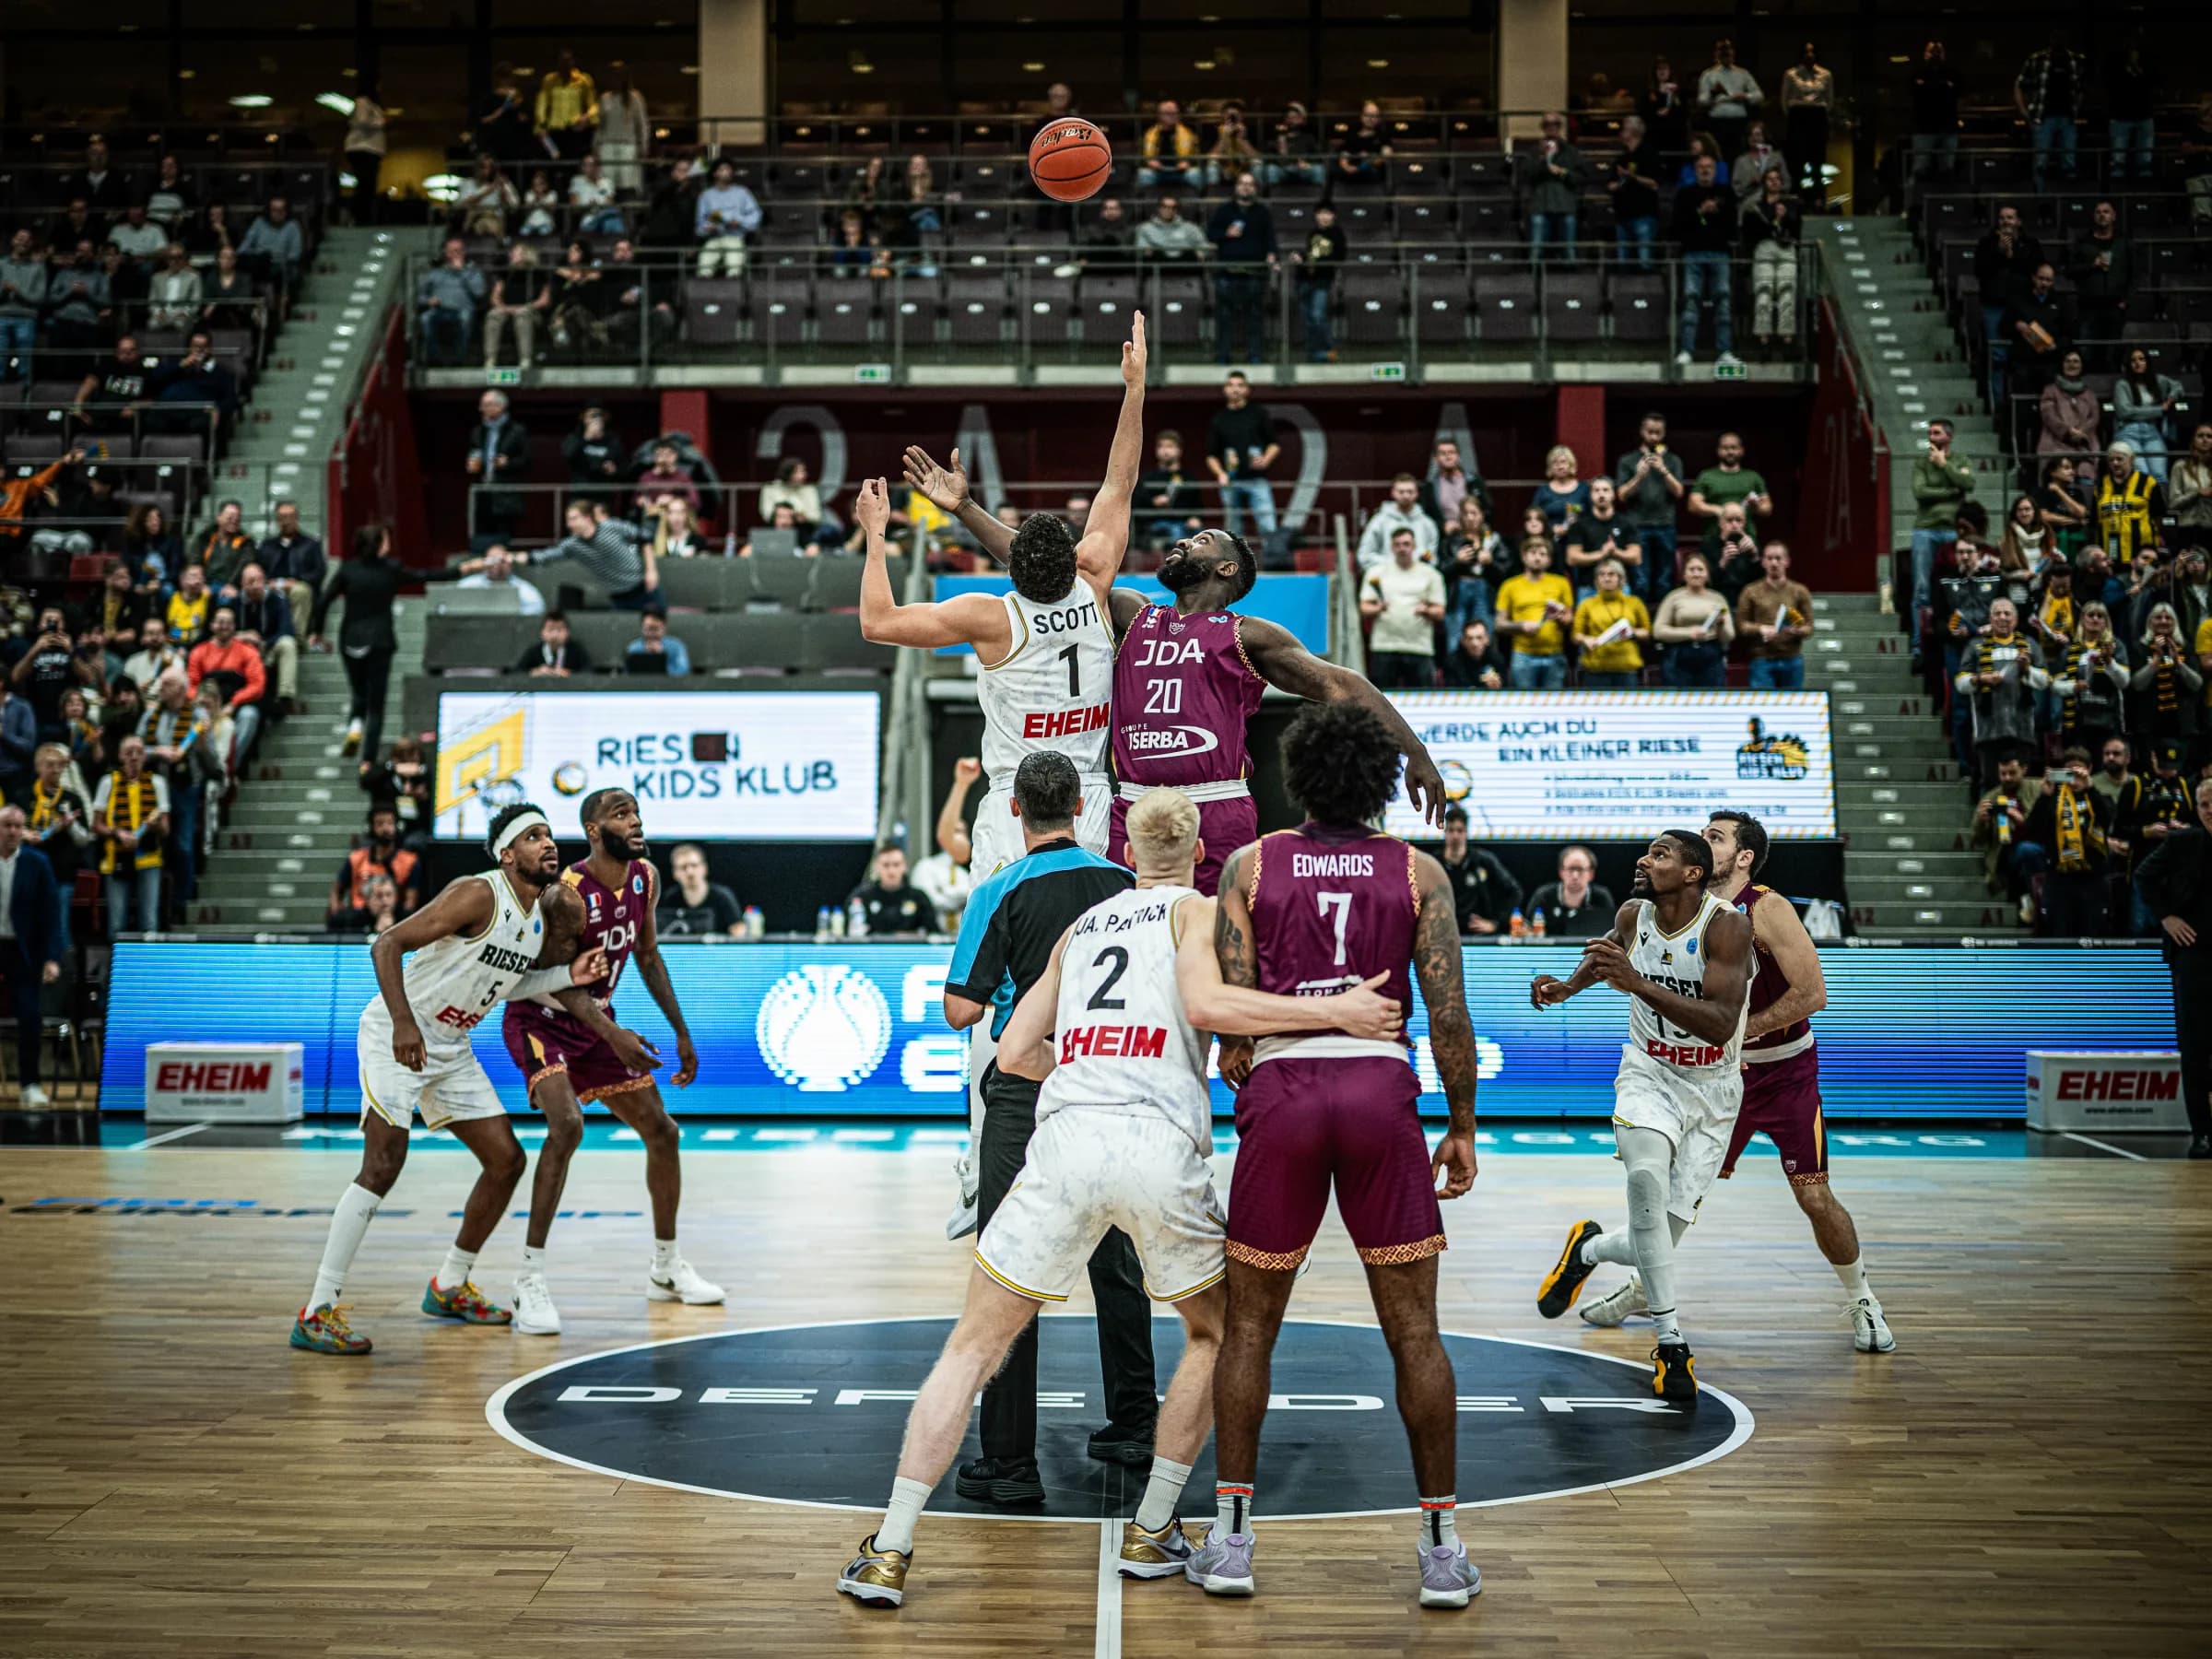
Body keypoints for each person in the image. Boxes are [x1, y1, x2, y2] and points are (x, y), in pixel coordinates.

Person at [836, 783, 1404, 1607]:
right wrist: (1337, 1013)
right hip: (1156, 1145)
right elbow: (1215, 1007)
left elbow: (1013, 1053)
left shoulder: (1080, 928)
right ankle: (1152, 1528)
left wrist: (1087, 1056)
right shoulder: (1200, 914)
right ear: (1200, 853)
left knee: (969, 1349)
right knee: (1217, 1335)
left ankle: (888, 1551)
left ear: (1126, 853)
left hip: (1064, 1138)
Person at [1192, 700, 1479, 1606]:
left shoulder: (1250, 865)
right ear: (1383, 785)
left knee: (1248, 1330)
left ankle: (1233, 1544)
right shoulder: (1419, 872)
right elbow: (1448, 1016)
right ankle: (1440, 1550)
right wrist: (1463, 1124)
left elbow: (1234, 1030)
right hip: (1377, 1093)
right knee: (1414, 1333)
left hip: (1284, 1088)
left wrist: (1254, 1075)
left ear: (1299, 777)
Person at [288, 805, 644, 1355]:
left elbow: (510, 984)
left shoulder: (532, 920)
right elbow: (387, 945)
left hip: (449, 1049)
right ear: (507, 854)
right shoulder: (479, 893)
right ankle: (318, 1309)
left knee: (506, 1160)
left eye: (550, 834)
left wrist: (566, 975)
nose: (548, 844)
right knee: (382, 1165)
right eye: (532, 837)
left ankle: (450, 1284)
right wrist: (405, 1023)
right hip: (397, 1036)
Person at [930, 751, 1154, 1499]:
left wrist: (1010, 988)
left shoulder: (999, 888)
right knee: (1117, 1260)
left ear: (1016, 812)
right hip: (1112, 1087)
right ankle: (1135, 1427)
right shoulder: (1130, 886)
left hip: (1029, 1093)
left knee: (1009, 1267)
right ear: (1084, 806)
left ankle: (1009, 1461)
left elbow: (963, 1010)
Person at [1583, 811, 1891, 1347]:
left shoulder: (1766, 907)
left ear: (1743, 857)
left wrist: (1737, 1031)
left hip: (1784, 1072)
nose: (1702, 843)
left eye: (1715, 838)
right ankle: (1641, 1290)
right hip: (1711, 1078)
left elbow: (1812, 994)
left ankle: (1863, 1299)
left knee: (1814, 1197)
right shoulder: (1682, 909)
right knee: (1667, 1203)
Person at [876, 317, 1147, 882]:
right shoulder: (1093, 578)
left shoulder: (992, 615)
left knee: (1003, 951)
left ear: (1010, 568)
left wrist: (875, 535)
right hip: (1089, 799)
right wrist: (1135, 389)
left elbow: (878, 622)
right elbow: (1118, 483)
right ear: (1071, 557)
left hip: (1014, 803)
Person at [1531, 830, 1753, 1402]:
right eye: (1648, 851)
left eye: (1660, 855)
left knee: (1650, 1241)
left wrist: (1638, 983)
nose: (1644, 860)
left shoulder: (1726, 926)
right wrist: (1564, 989)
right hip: (1648, 1074)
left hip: (1712, 1091)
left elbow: (1721, 1023)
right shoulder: (1634, 913)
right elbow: (1604, 956)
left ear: (1692, 874)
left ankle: (1586, 1249)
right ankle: (1672, 1344)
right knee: (1644, 1179)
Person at [500, 789, 716, 1335]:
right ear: (594, 831)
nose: (636, 820)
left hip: (597, 1022)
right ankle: (529, 1281)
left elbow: (646, 954)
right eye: (621, 814)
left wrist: (681, 1031)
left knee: (663, 1133)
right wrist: (614, 1033)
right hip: (541, 1018)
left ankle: (666, 1268)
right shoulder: (567, 896)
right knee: (567, 1126)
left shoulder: (646, 876)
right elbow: (556, 985)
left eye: (636, 811)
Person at [2133, 775, 2212, 1156]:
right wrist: (2167, 916)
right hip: (2193, 954)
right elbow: (2143, 875)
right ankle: (2202, 1133)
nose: (2211, 811)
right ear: (2196, 809)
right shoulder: (2184, 842)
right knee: (2195, 1046)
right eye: (2204, 806)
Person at [310, 524, 403, 760]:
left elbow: (323, 601)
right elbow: (427, 576)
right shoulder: (390, 569)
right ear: (381, 545)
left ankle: (355, 727)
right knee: (376, 705)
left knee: (359, 693)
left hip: (351, 640)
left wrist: (317, 632)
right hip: (380, 641)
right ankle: (368, 760)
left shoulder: (347, 570)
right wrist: (463, 569)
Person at [0, 804, 66, 1107]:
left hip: (22, 950)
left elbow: (51, 915)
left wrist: (52, 958)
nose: (12, 831)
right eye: (6, 825)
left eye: (17, 826)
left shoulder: (37, 863)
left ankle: (30, 1084)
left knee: (30, 1016)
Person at [492, 500, 661, 610]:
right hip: (619, 598)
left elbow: (644, 537)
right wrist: (511, 558)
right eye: (568, 520)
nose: (569, 524)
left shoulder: (610, 526)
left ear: (587, 518)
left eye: (573, 519)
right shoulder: (572, 545)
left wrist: (651, 571)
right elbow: (541, 557)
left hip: (644, 588)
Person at [2021, 747, 2112, 937]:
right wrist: (2044, 796)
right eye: (2069, 772)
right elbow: (2032, 830)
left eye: (2079, 772)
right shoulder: (2053, 799)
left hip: (2092, 878)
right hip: (2060, 878)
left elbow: (2107, 819)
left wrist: (2090, 788)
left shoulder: (2099, 796)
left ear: (2089, 769)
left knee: (2092, 937)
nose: (2074, 778)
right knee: (2060, 936)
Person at [90, 733, 168, 935]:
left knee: (149, 923)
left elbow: (166, 829)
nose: (134, 757)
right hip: (116, 856)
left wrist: (155, 825)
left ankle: (149, 965)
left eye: (139, 752)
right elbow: (96, 825)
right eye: (129, 752)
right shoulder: (108, 782)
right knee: (116, 924)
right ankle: (117, 964)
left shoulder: (157, 783)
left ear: (145, 756)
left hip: (149, 858)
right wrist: (118, 833)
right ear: (120, 756)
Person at [1671, 152, 1741, 371]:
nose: (1705, 170)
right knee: (1691, 300)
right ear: (1695, 170)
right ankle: (1686, 350)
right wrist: (1700, 212)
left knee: (1723, 300)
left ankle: (1725, 351)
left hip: (1720, 253)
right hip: (1692, 253)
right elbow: (1678, 227)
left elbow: (1731, 226)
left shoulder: (1726, 193)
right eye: (1701, 166)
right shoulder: (1685, 195)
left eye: (1709, 166)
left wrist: (1715, 214)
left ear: (1715, 169)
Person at [1360, 528, 1447, 688]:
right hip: (1384, 646)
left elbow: (1440, 612)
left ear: (1414, 546)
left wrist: (1427, 611)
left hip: (1420, 648)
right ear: (1392, 548)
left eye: (1406, 544)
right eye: (1398, 545)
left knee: (1422, 701)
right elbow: (1364, 608)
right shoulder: (1376, 573)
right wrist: (1378, 608)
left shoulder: (1431, 575)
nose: (1402, 548)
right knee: (1381, 701)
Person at [1205, 172, 1276, 366]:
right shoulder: (1225, 210)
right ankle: (1223, 356)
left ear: (1255, 188)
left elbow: (1270, 238)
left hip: (1254, 274)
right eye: (1242, 183)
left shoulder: (1262, 212)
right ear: (1236, 187)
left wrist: (1272, 254)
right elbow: (1210, 233)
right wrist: (1225, 233)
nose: (1246, 187)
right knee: (1224, 318)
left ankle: (1255, 356)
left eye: (1250, 184)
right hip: (1227, 273)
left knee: (1255, 318)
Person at [1615, 412, 1687, 600]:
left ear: (1663, 434)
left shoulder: (1673, 460)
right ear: (1642, 432)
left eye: (1658, 433)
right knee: (1640, 580)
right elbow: (1621, 495)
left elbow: (1679, 492)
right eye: (1650, 432)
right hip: (1637, 525)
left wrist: (1663, 470)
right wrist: (1639, 475)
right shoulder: (1628, 460)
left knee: (1665, 580)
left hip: (1665, 524)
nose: (1653, 437)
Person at [1206, 371, 1279, 543]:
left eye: (1240, 385)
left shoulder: (1258, 414)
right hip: (1231, 481)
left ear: (1247, 389)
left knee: (1267, 524)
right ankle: (1234, 566)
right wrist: (1220, 474)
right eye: (1231, 385)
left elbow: (1274, 444)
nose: (1235, 389)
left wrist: (1266, 459)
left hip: (1257, 479)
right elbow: (1211, 456)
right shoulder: (1220, 419)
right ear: (1225, 389)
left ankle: (1273, 561)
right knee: (1232, 530)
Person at [1495, 538, 1576, 690]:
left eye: (1542, 554)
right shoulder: (1509, 586)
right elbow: (1499, 624)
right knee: (1524, 707)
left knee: (1553, 708)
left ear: (1549, 560)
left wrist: (1561, 619)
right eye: (1532, 553)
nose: (1537, 557)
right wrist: (1521, 626)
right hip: (1522, 656)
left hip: (1555, 655)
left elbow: (1570, 619)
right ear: (1523, 557)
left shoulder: (1561, 583)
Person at [1735, 541, 1816, 689]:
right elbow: (1741, 625)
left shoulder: (1800, 591)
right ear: (1763, 562)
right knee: (1764, 707)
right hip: (1762, 659)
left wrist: (1797, 631)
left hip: (1792, 658)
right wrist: (1761, 629)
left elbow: (1809, 627)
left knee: (1792, 707)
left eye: (1778, 558)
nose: (1774, 563)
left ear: (1787, 562)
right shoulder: (1750, 591)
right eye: (1770, 558)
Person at [328, 802, 420, 928]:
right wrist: (336, 909)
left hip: (394, 916)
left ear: (397, 826)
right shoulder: (356, 858)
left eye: (389, 823)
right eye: (380, 824)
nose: (385, 829)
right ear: (371, 828)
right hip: (359, 917)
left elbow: (410, 902)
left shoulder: (409, 861)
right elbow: (337, 889)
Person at [1514, 111, 1588, 264]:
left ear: (1560, 127)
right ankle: (1534, 283)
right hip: (1541, 205)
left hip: (1565, 205)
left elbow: (1581, 178)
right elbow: (1526, 176)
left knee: (1568, 252)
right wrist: (1542, 159)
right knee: (1536, 251)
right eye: (1547, 124)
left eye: (1555, 124)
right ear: (1543, 127)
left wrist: (1563, 173)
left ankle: (1571, 283)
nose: (1551, 128)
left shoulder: (1571, 152)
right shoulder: (1534, 152)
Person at [2014, 30, 2085, 190]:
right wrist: (2024, 113)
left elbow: (2081, 90)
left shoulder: (2076, 60)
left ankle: (2068, 201)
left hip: (2068, 118)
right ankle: (2040, 200)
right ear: (2051, 40)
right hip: (2042, 118)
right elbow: (2019, 85)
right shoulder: (2036, 59)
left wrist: (2076, 111)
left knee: (2069, 162)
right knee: (2041, 162)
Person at [1435, 804, 1521, 934]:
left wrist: (1496, 924)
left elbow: (1514, 892)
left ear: (1466, 832)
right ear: (1445, 832)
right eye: (1451, 830)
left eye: (1460, 830)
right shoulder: (1435, 864)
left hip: (1475, 935)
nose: (1455, 836)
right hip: (1442, 934)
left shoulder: (1483, 861)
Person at [1572, 559, 1651, 688]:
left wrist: (1633, 631)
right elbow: (1576, 635)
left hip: (1626, 669)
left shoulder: (1635, 603)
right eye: (1602, 575)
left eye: (1611, 574)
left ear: (1621, 579)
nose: (1606, 578)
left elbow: (1646, 632)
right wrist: (1585, 639)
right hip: (1595, 669)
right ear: (1596, 580)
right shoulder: (1586, 604)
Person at [2113, 347, 2182, 486]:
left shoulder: (2158, 381)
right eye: (2133, 360)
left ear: (2147, 362)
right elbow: (2125, 412)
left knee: (2159, 475)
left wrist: (2170, 398)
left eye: (2141, 359)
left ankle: (2160, 507)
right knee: (2142, 473)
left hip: (2152, 431)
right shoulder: (2122, 384)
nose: (2137, 363)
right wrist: (2159, 409)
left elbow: (2178, 387)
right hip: (2129, 432)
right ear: (2128, 365)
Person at [417, 239, 487, 369]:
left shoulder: (473, 272)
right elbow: (418, 296)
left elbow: (479, 293)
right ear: (446, 253)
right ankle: (435, 360)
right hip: (439, 310)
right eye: (452, 251)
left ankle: (458, 360)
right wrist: (428, 300)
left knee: (465, 318)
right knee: (425, 319)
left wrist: (462, 273)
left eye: (459, 250)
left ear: (464, 252)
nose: (456, 254)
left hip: (463, 310)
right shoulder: (435, 273)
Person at [1779, 42, 1834, 196]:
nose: (1809, 56)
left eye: (1812, 52)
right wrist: (1796, 114)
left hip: (1817, 117)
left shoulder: (1826, 74)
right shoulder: (1790, 74)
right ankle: (1797, 195)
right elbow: (1784, 101)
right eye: (1806, 52)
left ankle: (1817, 197)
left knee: (1818, 159)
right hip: (1798, 117)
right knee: (1796, 159)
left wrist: (1818, 113)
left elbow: (1829, 100)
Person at [1527, 844, 1617, 938]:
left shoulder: (1602, 897)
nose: (1575, 876)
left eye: (1580, 869)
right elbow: (1528, 930)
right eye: (1570, 869)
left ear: (1591, 874)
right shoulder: (1543, 896)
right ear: (1561, 872)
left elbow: (1610, 934)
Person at [1607, 116, 1662, 270]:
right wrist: (1619, 184)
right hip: (1623, 215)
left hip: (1644, 215)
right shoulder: (1622, 158)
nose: (1620, 133)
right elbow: (1610, 184)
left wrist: (1633, 177)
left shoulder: (1649, 154)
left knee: (1645, 262)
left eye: (1624, 129)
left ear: (1633, 132)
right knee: (1623, 264)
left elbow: (1655, 183)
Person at [849, 843, 938, 936]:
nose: (891, 871)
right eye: (886, 865)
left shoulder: (919, 898)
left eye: (896, 865)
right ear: (876, 867)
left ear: (904, 866)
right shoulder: (862, 897)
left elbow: (933, 934)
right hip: (873, 950)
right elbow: (853, 934)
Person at [656, 841, 742, 937]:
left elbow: (738, 932)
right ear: (675, 873)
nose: (690, 872)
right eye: (683, 867)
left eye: (694, 865)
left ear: (704, 868)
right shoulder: (670, 898)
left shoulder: (723, 897)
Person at [1696, 36, 1763, 158]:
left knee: (1739, 156)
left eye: (1728, 50)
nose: (1726, 54)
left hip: (1739, 123)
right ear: (1717, 53)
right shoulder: (1708, 75)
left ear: (1733, 53)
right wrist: (1712, 95)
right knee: (1717, 155)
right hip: (1717, 123)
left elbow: (1759, 96)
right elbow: (1701, 101)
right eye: (1722, 51)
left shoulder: (1743, 74)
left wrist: (1746, 96)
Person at [1357, 473, 1441, 570]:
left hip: (1419, 580)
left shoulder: (1428, 524)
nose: (1406, 496)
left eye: (1410, 492)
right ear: (1393, 493)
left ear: (1417, 493)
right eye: (1401, 492)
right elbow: (1364, 557)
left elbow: (1432, 559)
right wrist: (1394, 565)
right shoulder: (1379, 522)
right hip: (1387, 578)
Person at [693, 159, 761, 276]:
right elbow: (699, 226)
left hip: (734, 237)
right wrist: (707, 228)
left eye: (729, 169)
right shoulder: (706, 196)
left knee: (734, 267)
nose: (727, 172)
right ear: (715, 174)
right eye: (722, 169)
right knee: (703, 267)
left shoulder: (742, 193)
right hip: (713, 238)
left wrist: (739, 222)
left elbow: (756, 216)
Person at [1910, 41, 1961, 180]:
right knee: (1920, 167)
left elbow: (1956, 91)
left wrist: (1928, 87)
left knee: (1947, 169)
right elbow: (1916, 92)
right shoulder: (1918, 72)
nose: (1935, 55)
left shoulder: (1951, 72)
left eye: (1939, 52)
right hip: (1924, 128)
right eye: (1932, 52)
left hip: (1948, 127)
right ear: (1925, 54)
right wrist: (1943, 86)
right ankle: (1918, 200)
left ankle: (1945, 200)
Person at [453, 544, 545, 616]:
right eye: (491, 560)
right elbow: (448, 604)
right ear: (483, 563)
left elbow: (538, 607)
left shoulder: (522, 588)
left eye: (500, 561)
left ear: (509, 564)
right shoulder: (468, 584)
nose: (496, 565)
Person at [1136, 100, 1200, 190]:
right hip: (1158, 171)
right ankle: (1144, 203)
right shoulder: (1150, 134)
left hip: (1181, 171)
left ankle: (1196, 203)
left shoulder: (1188, 133)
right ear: (1159, 115)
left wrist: (1188, 163)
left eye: (1174, 113)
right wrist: (1149, 162)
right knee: (1143, 174)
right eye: (1167, 113)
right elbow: (1143, 157)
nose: (1172, 116)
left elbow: (1196, 155)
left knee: (1195, 174)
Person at [1442, 618, 1507, 689]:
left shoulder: (1497, 659)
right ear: (1463, 640)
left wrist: (1498, 688)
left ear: (1487, 639)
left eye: (1479, 638)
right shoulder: (1452, 661)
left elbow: (1507, 690)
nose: (1474, 643)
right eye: (1470, 638)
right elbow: (1450, 692)